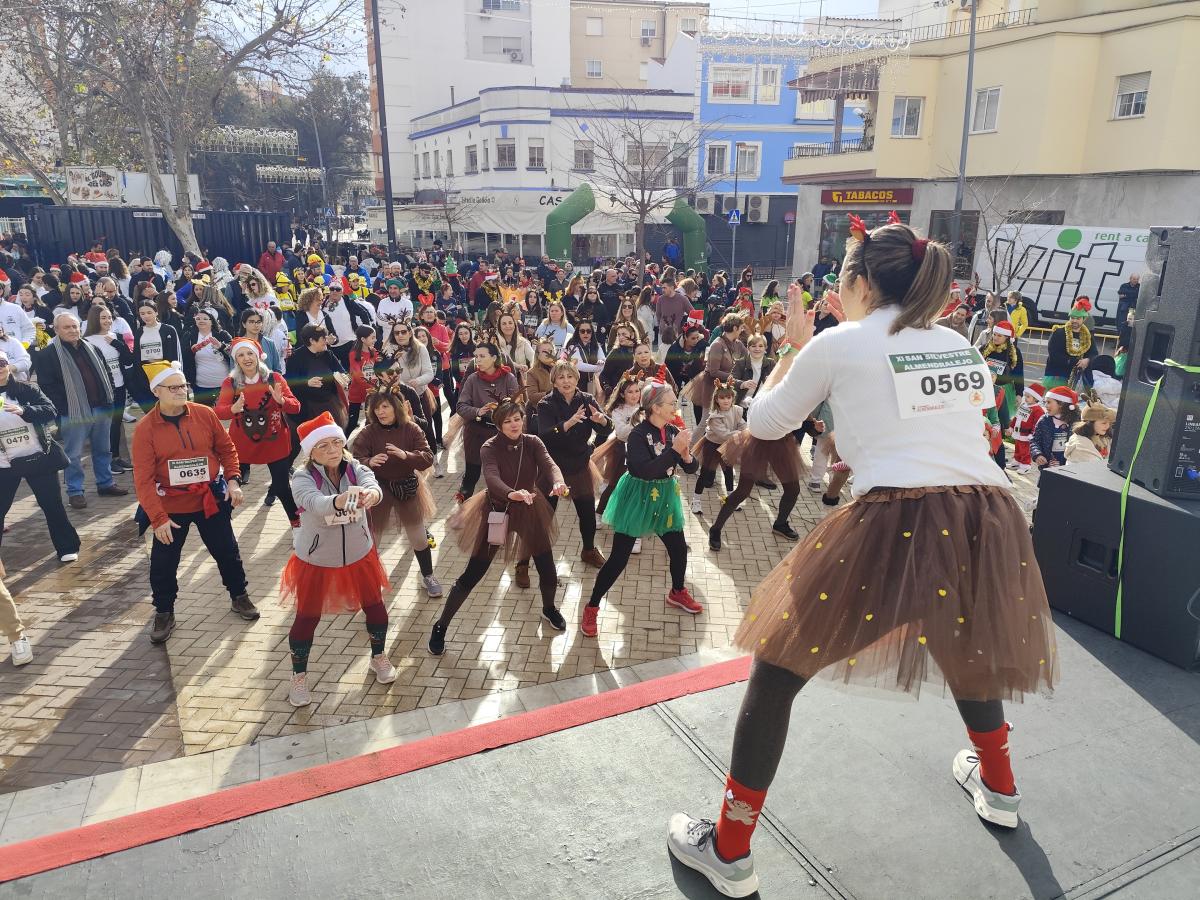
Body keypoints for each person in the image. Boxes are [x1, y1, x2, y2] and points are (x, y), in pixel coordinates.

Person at [667, 225, 1056, 898]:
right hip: (986, 517)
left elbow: (764, 423)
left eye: (841, 280)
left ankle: (728, 849)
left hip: (899, 521)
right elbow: (956, 428)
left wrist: (794, 347)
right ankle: (999, 786)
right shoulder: (957, 342)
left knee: (776, 671)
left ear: (860, 282)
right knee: (967, 647)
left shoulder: (839, 342)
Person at [430, 400, 570, 655]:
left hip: (529, 507)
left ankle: (549, 608)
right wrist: (510, 493)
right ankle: (440, 626)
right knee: (473, 573)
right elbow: (492, 477)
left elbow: (550, 464)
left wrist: (558, 481)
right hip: (498, 510)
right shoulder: (489, 447)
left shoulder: (533, 442)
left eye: (517, 418)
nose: (514, 424)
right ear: (498, 425)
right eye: (507, 421)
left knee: (548, 570)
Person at [132, 362, 257, 644]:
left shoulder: (204, 414)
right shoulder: (145, 429)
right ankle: (164, 611)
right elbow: (143, 480)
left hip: (209, 499)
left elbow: (227, 449)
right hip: (171, 508)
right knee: (163, 564)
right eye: (173, 387)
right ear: (157, 391)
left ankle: (239, 595)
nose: (181, 391)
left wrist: (233, 480)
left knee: (228, 552)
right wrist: (158, 519)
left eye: (183, 386)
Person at [282, 412, 395, 707]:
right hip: (316, 558)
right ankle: (298, 676)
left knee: (375, 607)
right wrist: (338, 501)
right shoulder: (302, 477)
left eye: (335, 442)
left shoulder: (356, 468)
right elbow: (312, 502)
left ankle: (379, 657)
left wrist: (372, 495)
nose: (332, 449)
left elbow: (372, 484)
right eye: (323, 446)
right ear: (311, 452)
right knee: (307, 618)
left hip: (359, 553)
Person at [583, 378, 702, 638]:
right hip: (637, 498)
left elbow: (692, 468)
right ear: (655, 407)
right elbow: (644, 471)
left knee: (678, 549)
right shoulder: (637, 435)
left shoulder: (672, 430)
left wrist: (686, 456)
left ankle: (677, 591)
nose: (675, 407)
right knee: (619, 558)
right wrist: (675, 451)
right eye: (671, 403)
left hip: (665, 496)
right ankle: (592, 606)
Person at [348, 389, 440, 596]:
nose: (380, 412)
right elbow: (354, 460)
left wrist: (406, 455)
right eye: (376, 408)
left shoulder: (411, 428)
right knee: (372, 537)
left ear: (396, 408)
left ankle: (428, 575)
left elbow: (428, 457)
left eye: (385, 407)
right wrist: (369, 461)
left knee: (418, 536)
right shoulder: (368, 432)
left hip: (406, 486)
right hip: (377, 488)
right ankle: (368, 579)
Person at [34, 311, 127, 509]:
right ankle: (75, 491)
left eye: (75, 326)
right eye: (67, 327)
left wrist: (109, 399)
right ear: (56, 330)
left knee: (103, 450)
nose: (72, 330)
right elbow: (47, 386)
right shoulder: (47, 355)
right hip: (73, 414)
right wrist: (65, 408)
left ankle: (105, 483)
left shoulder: (92, 348)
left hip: (101, 408)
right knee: (73, 455)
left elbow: (107, 373)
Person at [0, 350, 81, 562]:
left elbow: (50, 410)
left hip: (37, 457)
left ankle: (67, 547)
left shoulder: (27, 389)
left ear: (8, 365)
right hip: (4, 464)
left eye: (1, 363)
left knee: (52, 505)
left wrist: (24, 410)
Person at [533, 360, 608, 580]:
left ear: (577, 378)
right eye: (561, 377)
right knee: (543, 516)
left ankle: (588, 550)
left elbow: (608, 429)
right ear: (554, 381)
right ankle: (526, 559)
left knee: (587, 513)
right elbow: (544, 436)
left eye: (570, 376)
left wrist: (602, 421)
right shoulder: (546, 404)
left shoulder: (587, 399)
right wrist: (568, 423)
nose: (566, 381)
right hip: (553, 467)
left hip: (579, 465)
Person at [214, 338, 301, 526]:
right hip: (242, 444)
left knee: (282, 488)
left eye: (250, 353)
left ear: (258, 356)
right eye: (241, 355)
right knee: (231, 487)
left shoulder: (274, 378)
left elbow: (296, 407)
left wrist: (282, 401)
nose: (246, 358)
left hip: (274, 441)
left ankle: (297, 524)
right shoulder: (231, 383)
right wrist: (232, 409)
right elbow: (219, 411)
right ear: (236, 359)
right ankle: (222, 528)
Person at [454, 342, 520, 502]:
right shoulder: (472, 379)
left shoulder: (509, 378)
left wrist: (503, 410)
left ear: (494, 358)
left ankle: (506, 507)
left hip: (502, 434)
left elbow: (518, 406)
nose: (477, 360)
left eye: (482, 356)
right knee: (472, 474)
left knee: (505, 474)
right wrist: (478, 411)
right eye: (476, 356)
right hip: (476, 431)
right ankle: (463, 508)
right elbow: (460, 406)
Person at [84, 304, 135, 472]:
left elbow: (128, 360)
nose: (108, 321)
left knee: (116, 424)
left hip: (119, 386)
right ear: (94, 319)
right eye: (103, 318)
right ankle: (107, 461)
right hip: (102, 391)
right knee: (106, 426)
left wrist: (117, 344)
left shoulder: (116, 336)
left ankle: (116, 457)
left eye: (109, 317)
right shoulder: (87, 341)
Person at [691, 380, 745, 512]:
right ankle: (696, 500)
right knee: (705, 473)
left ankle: (731, 499)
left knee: (728, 472)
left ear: (733, 398)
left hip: (727, 445)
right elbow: (724, 434)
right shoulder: (714, 417)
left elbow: (742, 424)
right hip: (712, 446)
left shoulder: (736, 410)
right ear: (716, 399)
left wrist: (746, 429)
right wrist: (741, 433)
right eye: (722, 398)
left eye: (728, 397)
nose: (726, 400)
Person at [288, 324, 349, 428]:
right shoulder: (296, 357)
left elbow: (341, 371)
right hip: (308, 407)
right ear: (312, 340)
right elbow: (289, 382)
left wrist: (344, 377)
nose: (326, 341)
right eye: (323, 338)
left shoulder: (328, 354)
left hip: (330, 403)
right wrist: (307, 383)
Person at [184, 308, 233, 407]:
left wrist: (221, 347)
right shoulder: (189, 335)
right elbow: (183, 358)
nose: (201, 321)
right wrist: (191, 351)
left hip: (223, 383)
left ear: (212, 321)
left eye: (205, 319)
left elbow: (233, 354)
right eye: (198, 319)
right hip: (201, 385)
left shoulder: (222, 334)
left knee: (223, 412)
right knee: (203, 412)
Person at [1044, 300, 1096, 389]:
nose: (1074, 321)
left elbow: (1094, 353)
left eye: (1078, 318)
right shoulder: (1058, 332)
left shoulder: (1087, 335)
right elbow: (1054, 354)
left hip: (1077, 378)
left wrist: (1087, 360)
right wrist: (1075, 362)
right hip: (1057, 375)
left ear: (1083, 319)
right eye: (1072, 318)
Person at [1031, 386, 1080, 469]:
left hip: (1069, 464)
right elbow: (1034, 440)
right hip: (1048, 464)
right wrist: (1037, 454)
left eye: (1049, 402)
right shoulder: (1044, 421)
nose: (1045, 405)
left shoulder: (1076, 421)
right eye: (1045, 402)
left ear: (1061, 404)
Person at [346, 325, 380, 432]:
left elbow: (380, 367)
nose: (375, 340)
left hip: (372, 392)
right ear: (363, 339)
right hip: (357, 392)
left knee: (371, 420)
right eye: (372, 337)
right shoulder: (353, 354)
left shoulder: (374, 351)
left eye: (375, 337)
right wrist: (371, 387)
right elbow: (357, 374)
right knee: (352, 423)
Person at [1007, 383, 1045, 475]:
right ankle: (1017, 461)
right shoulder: (1023, 405)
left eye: (1028, 397)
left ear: (1035, 398)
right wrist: (1011, 426)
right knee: (1018, 448)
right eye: (1025, 396)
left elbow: (1037, 424)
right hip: (1018, 432)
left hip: (1027, 435)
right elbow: (1016, 417)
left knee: (1025, 451)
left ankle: (1025, 466)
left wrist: (1032, 434)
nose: (1026, 398)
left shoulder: (1038, 410)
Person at [1065, 399, 1115, 464]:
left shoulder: (1105, 439)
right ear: (1090, 423)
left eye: (1109, 423)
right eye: (1104, 423)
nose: (1107, 426)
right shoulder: (1079, 445)